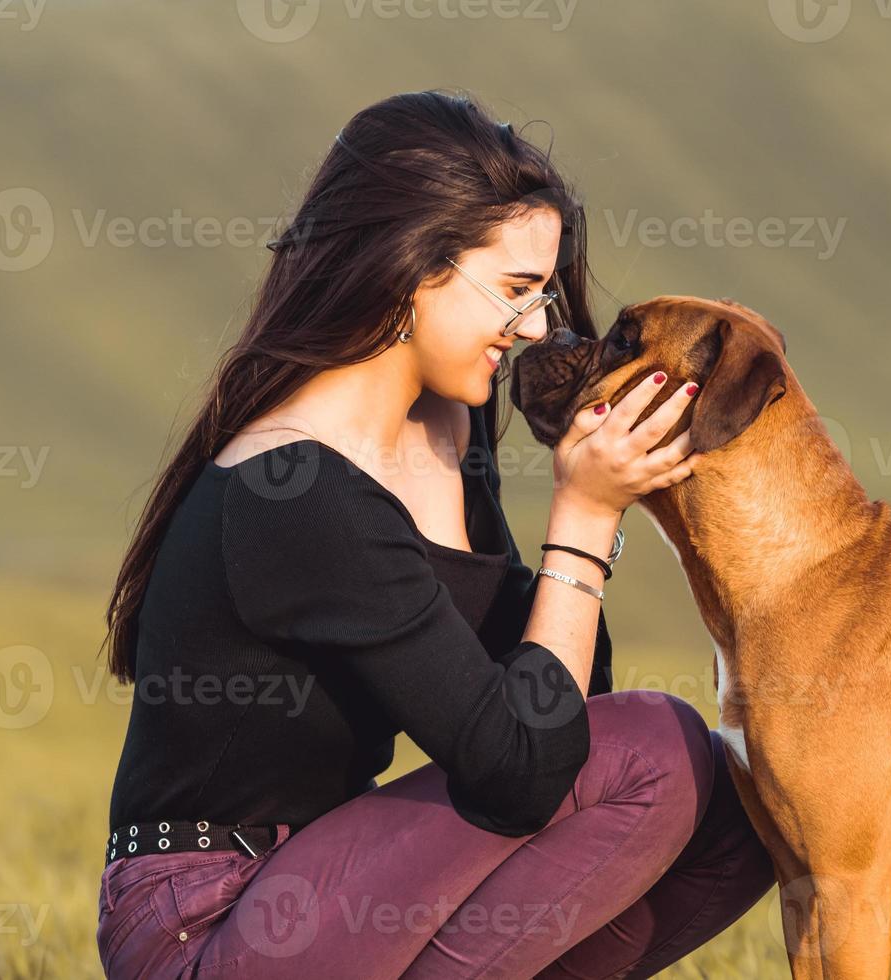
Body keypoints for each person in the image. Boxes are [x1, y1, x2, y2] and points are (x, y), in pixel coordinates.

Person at [96, 90, 775, 978]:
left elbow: (562, 715)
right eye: (517, 288)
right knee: (656, 745)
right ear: (411, 265)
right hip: (209, 922)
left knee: (745, 809)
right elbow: (525, 772)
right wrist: (583, 520)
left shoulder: (446, 435)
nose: (536, 327)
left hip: (328, 892)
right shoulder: (292, 487)